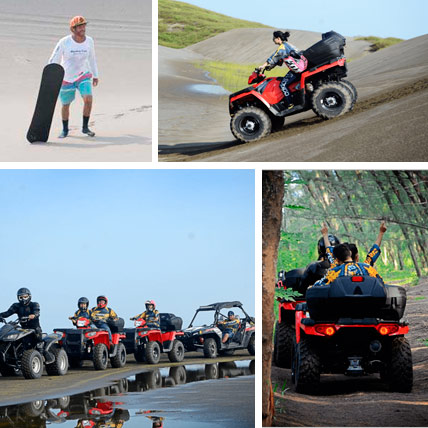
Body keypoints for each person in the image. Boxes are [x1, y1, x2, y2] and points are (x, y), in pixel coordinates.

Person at [48, 15, 99, 139]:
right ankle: (65, 130)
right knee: (66, 104)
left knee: (88, 99)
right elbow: (54, 57)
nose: (83, 28)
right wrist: (49, 73)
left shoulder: (89, 41)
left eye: (83, 25)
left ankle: (85, 127)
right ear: (73, 29)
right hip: (66, 78)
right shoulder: (65, 41)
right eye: (79, 26)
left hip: (83, 75)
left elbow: (92, 58)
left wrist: (95, 75)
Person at [258, 30, 307, 111]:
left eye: (274, 38)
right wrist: (270, 68)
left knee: (283, 85)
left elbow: (273, 58)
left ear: (278, 38)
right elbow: (279, 61)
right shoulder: (288, 45)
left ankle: (290, 103)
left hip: (297, 70)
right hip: (302, 65)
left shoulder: (282, 48)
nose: (273, 39)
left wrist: (262, 66)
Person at [321, 221, 387, 269]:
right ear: (357, 257)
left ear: (338, 259)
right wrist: (381, 233)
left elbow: (329, 250)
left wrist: (325, 235)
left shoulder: (335, 268)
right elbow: (373, 252)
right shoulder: (364, 267)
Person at [314, 243, 383, 287]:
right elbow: (381, 282)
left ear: (337, 260)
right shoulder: (367, 268)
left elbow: (319, 285)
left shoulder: (334, 272)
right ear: (350, 254)